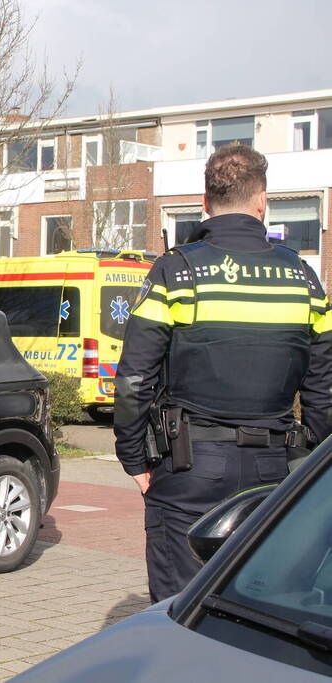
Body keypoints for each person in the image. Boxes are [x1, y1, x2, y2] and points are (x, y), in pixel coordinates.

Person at [113, 143, 332, 603]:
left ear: (206, 202)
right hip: (276, 471)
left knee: (180, 610)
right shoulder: (305, 279)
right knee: (261, 611)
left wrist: (134, 459)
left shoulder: (177, 271)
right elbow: (324, 389)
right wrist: (307, 462)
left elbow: (135, 378)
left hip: (189, 467)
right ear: (262, 201)